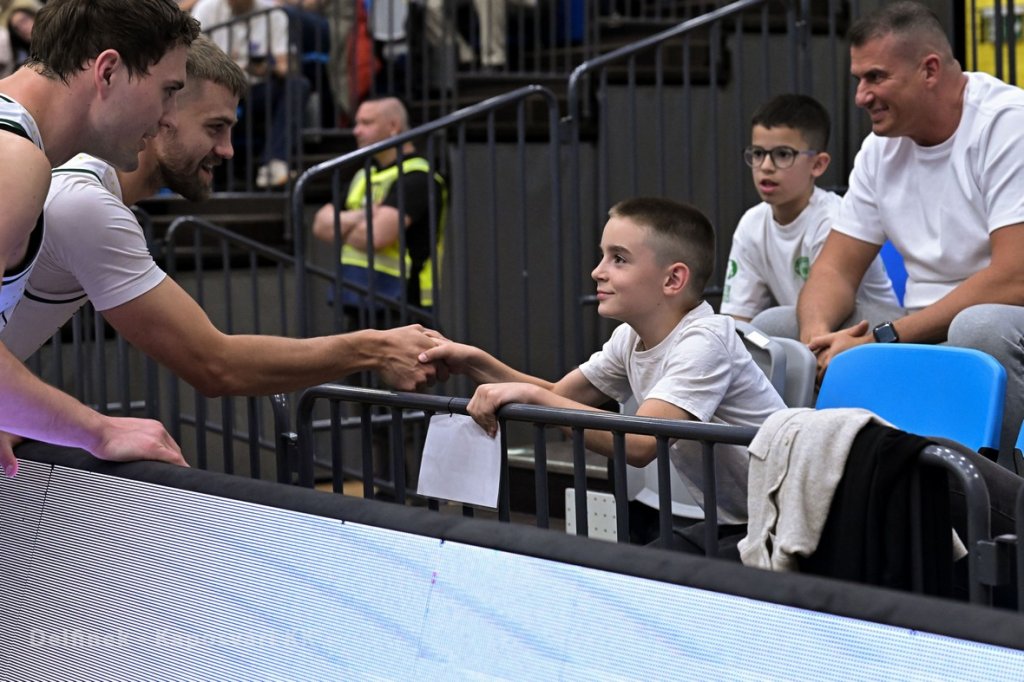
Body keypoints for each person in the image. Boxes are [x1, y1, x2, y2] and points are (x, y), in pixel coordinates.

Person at [0, 36, 444, 409]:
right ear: (161, 115)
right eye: (215, 127)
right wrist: (373, 348)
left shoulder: (87, 192)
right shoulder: (86, 203)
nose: (228, 149)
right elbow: (216, 365)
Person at [420, 197, 786, 551]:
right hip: (743, 523)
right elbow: (561, 397)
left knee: (657, 577)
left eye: (619, 259)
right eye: (603, 255)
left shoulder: (706, 340)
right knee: (642, 572)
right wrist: (473, 362)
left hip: (789, 523)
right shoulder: (629, 337)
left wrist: (534, 396)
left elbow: (641, 443)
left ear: (673, 279)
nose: (597, 271)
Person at [795, 1, 1024, 466]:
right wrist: (815, 340)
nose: (861, 96)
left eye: (875, 77)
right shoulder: (878, 148)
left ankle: (993, 500)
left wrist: (884, 337)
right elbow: (835, 269)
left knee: (978, 325)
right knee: (775, 331)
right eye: (858, 79)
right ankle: (802, 493)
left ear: (930, 70)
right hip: (916, 326)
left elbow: (1014, 278)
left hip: (995, 321)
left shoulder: (1007, 123)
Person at [0, 0, 200, 477]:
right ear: (108, 71)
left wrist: (14, 409)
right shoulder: (15, 159)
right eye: (168, 91)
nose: (168, 118)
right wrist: (97, 431)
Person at [721, 93, 900, 326]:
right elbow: (738, 321)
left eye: (782, 154)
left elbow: (830, 314)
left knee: (771, 323)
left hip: (870, 331)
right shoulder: (751, 224)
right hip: (813, 331)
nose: (765, 166)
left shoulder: (833, 220)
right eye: (758, 153)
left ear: (818, 164)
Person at [311, 95, 446, 315]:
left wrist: (342, 228)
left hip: (404, 307)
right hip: (357, 302)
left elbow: (376, 236)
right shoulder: (363, 175)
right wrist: (364, 215)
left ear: (393, 126)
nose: (356, 131)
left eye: (367, 123)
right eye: (356, 123)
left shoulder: (418, 177)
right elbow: (319, 225)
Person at [191, 0, 311, 188]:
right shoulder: (207, 9)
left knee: (298, 85)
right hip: (214, 89)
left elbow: (287, 66)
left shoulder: (273, 14)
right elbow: (191, 59)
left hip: (254, 90)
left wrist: (267, 67)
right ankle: (194, 172)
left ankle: (273, 164)